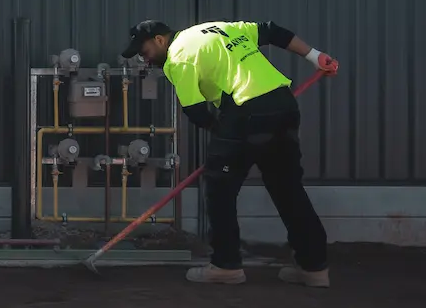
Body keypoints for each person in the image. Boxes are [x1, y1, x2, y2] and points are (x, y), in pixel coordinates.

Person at [120, 18, 339, 287]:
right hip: (284, 104)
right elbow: (272, 31)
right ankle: (314, 267)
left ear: (159, 40)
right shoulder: (220, 27)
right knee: (287, 188)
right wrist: (316, 57)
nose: (145, 59)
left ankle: (226, 265)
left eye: (144, 52)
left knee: (219, 189)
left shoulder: (177, 59)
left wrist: (224, 134)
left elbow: (196, 111)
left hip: (245, 110)